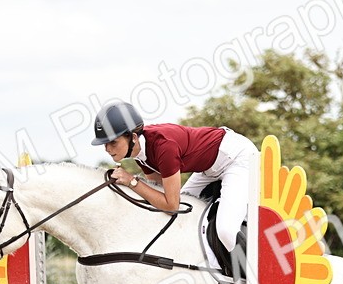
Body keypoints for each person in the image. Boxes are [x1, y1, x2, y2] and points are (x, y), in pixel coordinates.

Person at [92, 100, 258, 254]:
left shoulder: (164, 146)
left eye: (113, 142)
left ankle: (253, 280)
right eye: (104, 143)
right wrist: (131, 184)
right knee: (184, 213)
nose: (107, 148)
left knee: (226, 231)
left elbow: (171, 205)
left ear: (133, 137)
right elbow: (157, 187)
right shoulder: (139, 153)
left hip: (237, 158)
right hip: (208, 168)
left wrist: (132, 181)